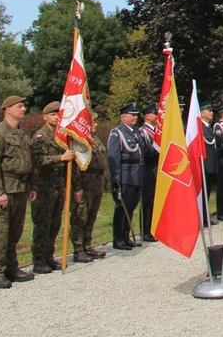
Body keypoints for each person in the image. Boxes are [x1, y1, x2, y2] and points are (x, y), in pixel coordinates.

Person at [0, 95, 37, 288]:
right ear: (8, 109)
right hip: (5, 189)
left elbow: (29, 162)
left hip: (20, 190)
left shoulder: (22, 134)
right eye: (20, 106)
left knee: (15, 232)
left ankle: (11, 268)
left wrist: (31, 186)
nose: (24, 110)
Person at [30, 101, 81, 274]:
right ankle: (38, 260)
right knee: (42, 225)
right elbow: (38, 161)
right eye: (52, 114)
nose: (56, 117)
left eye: (58, 114)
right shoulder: (40, 137)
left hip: (58, 187)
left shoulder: (62, 136)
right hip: (43, 187)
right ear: (44, 117)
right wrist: (60, 158)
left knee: (54, 224)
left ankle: (49, 257)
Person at [70, 113, 109, 262]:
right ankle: (78, 249)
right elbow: (76, 166)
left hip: (97, 181)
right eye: (93, 122)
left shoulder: (95, 139)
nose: (96, 124)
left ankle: (88, 244)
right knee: (80, 216)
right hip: (85, 181)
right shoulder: (80, 140)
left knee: (92, 215)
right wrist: (77, 187)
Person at [108, 102, 143, 250]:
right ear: (123, 117)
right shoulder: (118, 133)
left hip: (137, 174)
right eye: (132, 115)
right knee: (122, 207)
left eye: (136, 115)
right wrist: (116, 179)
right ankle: (118, 238)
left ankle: (126, 235)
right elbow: (114, 157)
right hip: (126, 175)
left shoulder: (135, 132)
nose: (135, 117)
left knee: (131, 207)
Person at [138, 103, 160, 242]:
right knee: (148, 201)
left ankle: (156, 228)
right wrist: (158, 148)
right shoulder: (143, 132)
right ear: (147, 116)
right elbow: (144, 151)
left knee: (157, 200)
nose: (158, 116)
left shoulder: (158, 131)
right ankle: (146, 231)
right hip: (148, 169)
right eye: (155, 114)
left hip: (158, 167)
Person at [200, 104, 217, 223]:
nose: (211, 113)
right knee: (203, 192)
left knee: (208, 191)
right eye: (209, 110)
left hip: (210, 164)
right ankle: (203, 217)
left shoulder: (208, 127)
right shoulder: (200, 127)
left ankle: (205, 216)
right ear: (202, 113)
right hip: (205, 165)